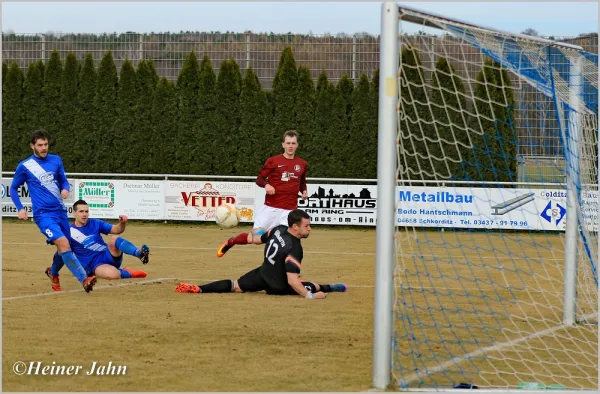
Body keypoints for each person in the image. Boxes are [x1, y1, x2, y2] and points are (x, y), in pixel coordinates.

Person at [176, 209, 347, 299]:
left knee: (235, 286)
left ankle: (199, 288)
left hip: (262, 273)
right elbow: (292, 281)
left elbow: (256, 239)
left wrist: (233, 241)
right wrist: (310, 296)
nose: (309, 228)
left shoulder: (278, 230)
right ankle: (331, 287)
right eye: (307, 226)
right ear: (295, 227)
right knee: (311, 285)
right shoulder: (295, 248)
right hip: (278, 286)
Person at [10, 129, 97, 293]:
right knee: (64, 244)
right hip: (44, 215)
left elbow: (64, 181)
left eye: (46, 144)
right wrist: (20, 208)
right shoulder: (25, 166)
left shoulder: (56, 160)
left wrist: (65, 189)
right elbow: (14, 189)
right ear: (32, 146)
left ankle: (53, 272)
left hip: (60, 213)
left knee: (65, 247)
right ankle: (84, 279)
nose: (44, 148)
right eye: (40, 145)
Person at [216, 130, 308, 258]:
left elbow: (302, 182)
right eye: (288, 143)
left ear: (297, 145)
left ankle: (287, 270)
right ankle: (231, 241)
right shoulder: (273, 161)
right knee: (256, 239)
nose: (291, 146)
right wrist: (266, 185)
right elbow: (259, 179)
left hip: (289, 210)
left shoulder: (302, 164)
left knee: (288, 240)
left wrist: (304, 191)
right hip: (271, 208)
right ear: (283, 144)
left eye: (293, 143)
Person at [45, 200, 150, 291]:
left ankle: (139, 254)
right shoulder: (68, 231)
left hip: (108, 255)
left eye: (86, 211)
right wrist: (54, 270)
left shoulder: (95, 223)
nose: (84, 214)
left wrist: (122, 223)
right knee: (112, 275)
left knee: (113, 239)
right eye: (81, 211)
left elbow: (116, 230)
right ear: (74, 213)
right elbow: (62, 253)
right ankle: (128, 273)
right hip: (95, 266)